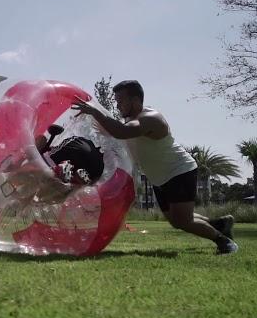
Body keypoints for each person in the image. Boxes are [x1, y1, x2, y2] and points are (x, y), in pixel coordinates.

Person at [71, 80, 237, 254]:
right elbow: (120, 134)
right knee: (176, 220)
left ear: (135, 101)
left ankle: (224, 241)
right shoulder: (130, 119)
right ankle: (220, 224)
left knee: (183, 221)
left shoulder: (150, 118)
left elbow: (122, 132)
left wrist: (95, 111)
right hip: (159, 178)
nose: (117, 105)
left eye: (121, 101)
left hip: (179, 171)